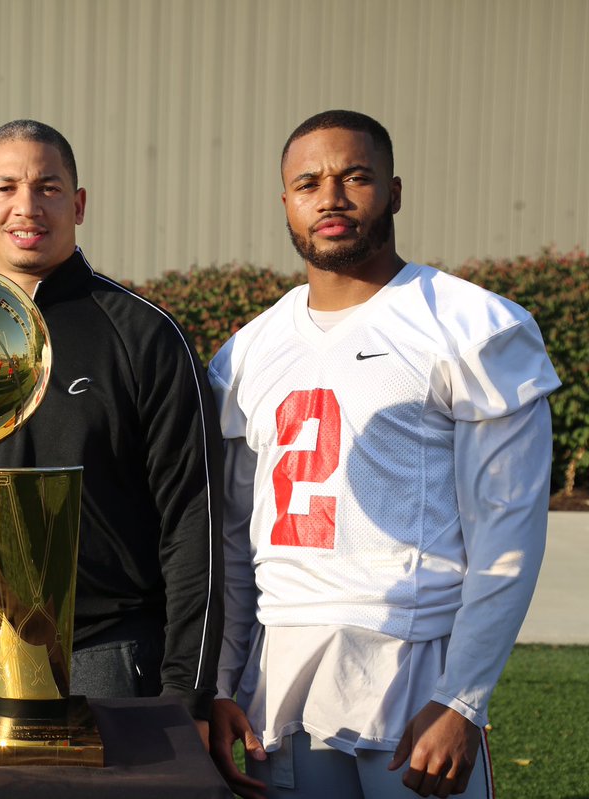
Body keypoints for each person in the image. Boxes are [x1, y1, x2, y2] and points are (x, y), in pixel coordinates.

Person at [206, 110, 560, 799]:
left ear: (394, 191)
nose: (331, 197)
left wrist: (463, 698)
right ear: (285, 203)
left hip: (411, 663)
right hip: (281, 674)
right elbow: (234, 539)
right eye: (308, 182)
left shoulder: (469, 324)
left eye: (355, 176)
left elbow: (507, 533)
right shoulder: (248, 350)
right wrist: (222, 681)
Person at [0, 119, 224, 739]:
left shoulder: (142, 337)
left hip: (105, 662)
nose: (27, 207)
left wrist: (186, 694)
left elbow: (194, 523)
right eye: (6, 188)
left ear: (78, 204)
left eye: (48, 187)